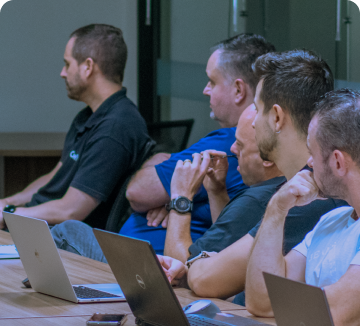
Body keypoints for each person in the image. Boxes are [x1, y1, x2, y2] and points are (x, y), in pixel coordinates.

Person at [160, 50, 347, 302]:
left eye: (257, 109)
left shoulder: (306, 198)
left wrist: (197, 265)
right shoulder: (300, 187)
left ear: (277, 117)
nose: (253, 122)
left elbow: (207, 280)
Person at [120, 34, 276, 253]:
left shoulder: (230, 144)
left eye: (212, 81)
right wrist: (179, 200)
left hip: (159, 265)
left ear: (239, 90)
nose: (205, 90)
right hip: (160, 261)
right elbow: (223, 223)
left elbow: (138, 192)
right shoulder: (241, 149)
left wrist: (177, 200)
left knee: (66, 231)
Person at [0, 24, 150, 230]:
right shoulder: (89, 115)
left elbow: (71, 210)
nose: (63, 73)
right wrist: (9, 202)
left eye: (67, 64)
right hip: (36, 223)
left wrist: (10, 215)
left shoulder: (116, 127)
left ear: (88, 67)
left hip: (61, 240)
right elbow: (56, 176)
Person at [245, 88, 360, 326]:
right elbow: (262, 299)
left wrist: (287, 300)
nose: (308, 162)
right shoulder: (333, 220)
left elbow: (334, 317)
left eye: (313, 152)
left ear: (338, 162)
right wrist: (277, 208)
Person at [163, 104, 284, 263]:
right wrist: (216, 191)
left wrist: (180, 197)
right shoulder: (285, 185)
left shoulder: (256, 200)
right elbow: (225, 248)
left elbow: (180, 267)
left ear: (268, 156)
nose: (233, 149)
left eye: (240, 145)